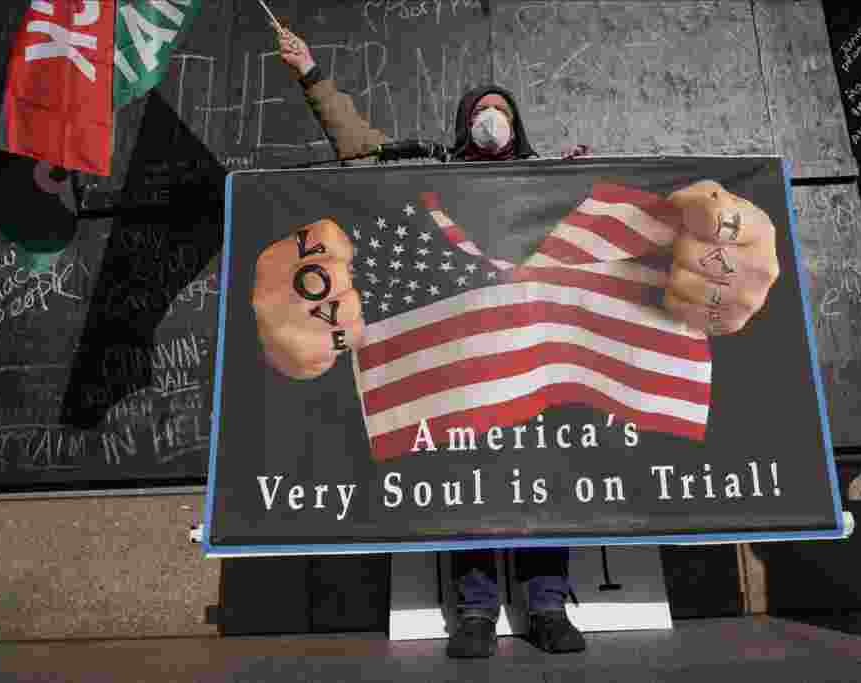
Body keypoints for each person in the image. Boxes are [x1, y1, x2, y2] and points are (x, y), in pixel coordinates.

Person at [254, 28, 779, 658]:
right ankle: (474, 612)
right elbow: (358, 148)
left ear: (518, 124)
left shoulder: (551, 179)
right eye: (480, 112)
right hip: (461, 376)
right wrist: (311, 71)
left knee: (543, 486)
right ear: (462, 124)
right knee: (466, 491)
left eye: (500, 111)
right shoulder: (434, 171)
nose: (491, 121)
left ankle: (548, 604)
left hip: (542, 374)